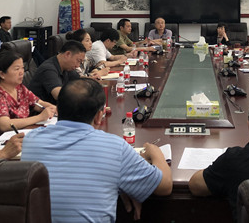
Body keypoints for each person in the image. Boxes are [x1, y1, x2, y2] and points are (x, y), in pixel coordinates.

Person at [21, 78, 172, 222]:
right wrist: (155, 153)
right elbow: (165, 187)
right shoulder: (114, 147)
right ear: (99, 116)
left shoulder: (31, 140)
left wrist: (117, 185)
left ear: (58, 109)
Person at [0, 51, 57, 147]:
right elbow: (5, 125)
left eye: (22, 68)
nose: (22, 72)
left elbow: (39, 104)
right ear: (2, 74)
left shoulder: (19, 88)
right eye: (17, 69)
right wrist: (39, 117)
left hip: (20, 136)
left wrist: (53, 109)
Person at [27, 40, 84, 104]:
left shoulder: (67, 67)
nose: (78, 65)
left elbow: (81, 80)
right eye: (78, 61)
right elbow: (58, 94)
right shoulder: (48, 68)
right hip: (41, 108)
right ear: (68, 54)